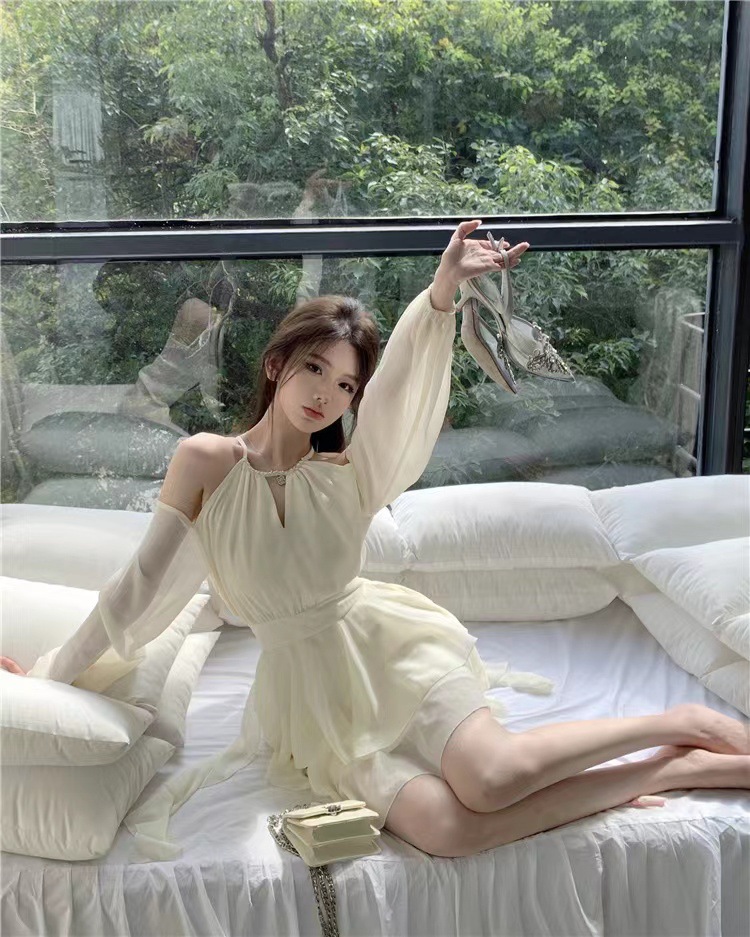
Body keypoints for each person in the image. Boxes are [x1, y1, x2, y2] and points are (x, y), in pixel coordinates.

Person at [5, 220, 748, 863]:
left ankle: (683, 722)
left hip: (391, 653)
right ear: (276, 364)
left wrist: (441, 292)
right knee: (447, 830)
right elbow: (140, 586)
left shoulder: (350, 475)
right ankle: (667, 770)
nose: (325, 393)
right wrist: (49, 675)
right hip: (312, 702)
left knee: (491, 779)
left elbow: (400, 388)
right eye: (314, 368)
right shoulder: (205, 460)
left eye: (344, 385)